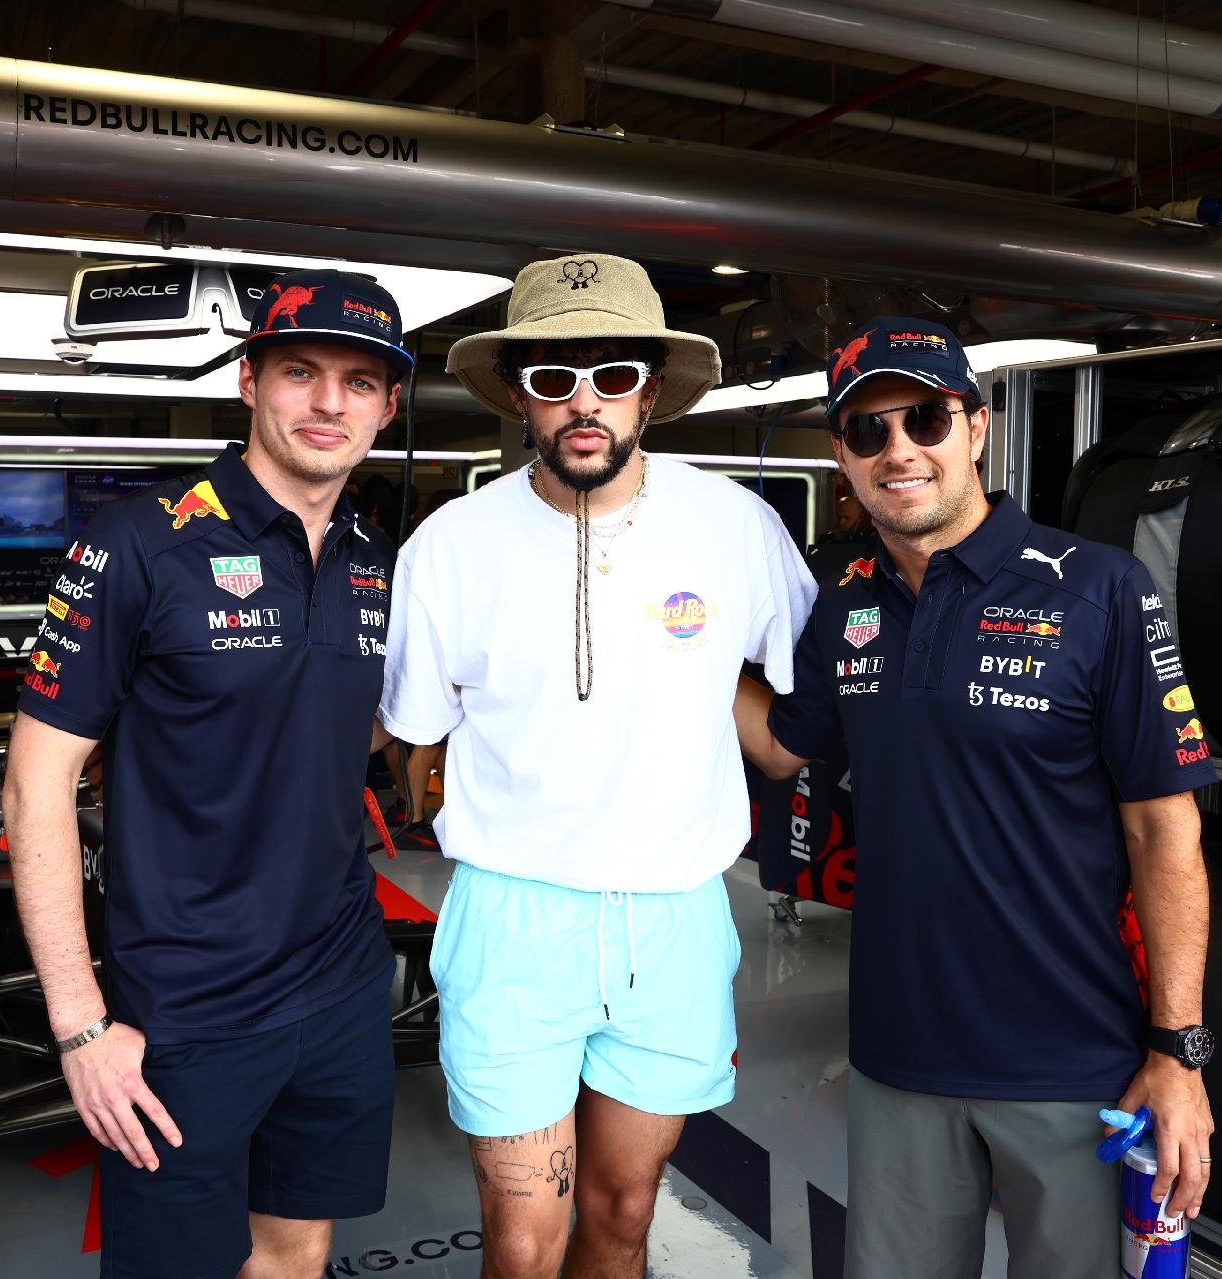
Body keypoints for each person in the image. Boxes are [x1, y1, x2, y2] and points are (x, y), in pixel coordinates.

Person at [733, 316, 1216, 1279]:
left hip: (1071, 1067)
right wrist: (681, 643)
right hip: (896, 1060)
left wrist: (1179, 1051)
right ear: (843, 457)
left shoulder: (1100, 591)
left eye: (925, 419)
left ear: (977, 428)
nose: (899, 449)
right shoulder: (847, 602)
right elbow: (782, 748)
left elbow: (1166, 830)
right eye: (868, 430)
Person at [377, 253, 816, 1279]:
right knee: (522, 1240)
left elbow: (800, 702)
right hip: (512, 920)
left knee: (623, 1212)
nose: (585, 402)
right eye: (554, 377)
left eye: (613, 375)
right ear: (518, 394)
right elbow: (415, 738)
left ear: (649, 392)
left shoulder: (736, 525)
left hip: (673, 918)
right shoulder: (450, 544)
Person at [4, 270, 410, 1279]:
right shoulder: (140, 541)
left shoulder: (377, 558)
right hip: (184, 1011)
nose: (329, 402)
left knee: (296, 1250)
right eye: (301, 371)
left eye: (360, 382)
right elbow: (34, 783)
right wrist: (80, 1024)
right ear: (248, 381)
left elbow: (345, 732)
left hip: (344, 983)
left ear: (388, 406)